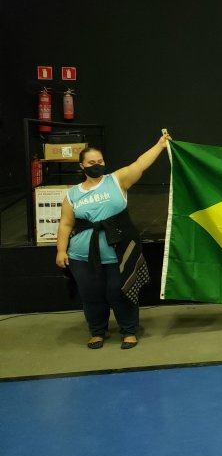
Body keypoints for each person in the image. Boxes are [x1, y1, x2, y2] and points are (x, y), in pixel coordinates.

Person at [56, 132, 171, 349]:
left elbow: (140, 164)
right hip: (82, 256)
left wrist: (160, 145)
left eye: (99, 161)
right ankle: (97, 332)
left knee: (119, 291)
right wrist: (61, 251)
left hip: (117, 253)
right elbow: (65, 225)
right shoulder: (72, 195)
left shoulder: (117, 180)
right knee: (91, 294)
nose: (96, 165)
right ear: (82, 166)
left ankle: (129, 331)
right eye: (91, 162)